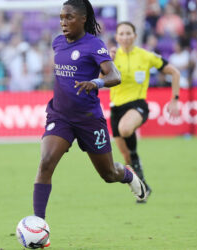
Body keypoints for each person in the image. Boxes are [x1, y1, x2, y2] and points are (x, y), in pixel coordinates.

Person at [33, 1, 148, 247]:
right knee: (45, 163)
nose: (63, 22)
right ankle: (37, 226)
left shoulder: (94, 45)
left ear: (83, 19)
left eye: (69, 17)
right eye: (61, 17)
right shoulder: (57, 42)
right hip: (60, 116)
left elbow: (114, 75)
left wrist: (96, 83)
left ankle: (127, 175)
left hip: (89, 120)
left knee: (108, 174)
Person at [109, 21, 180, 203]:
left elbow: (174, 72)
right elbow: (100, 79)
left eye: (128, 33)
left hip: (137, 104)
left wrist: (175, 99)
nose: (125, 37)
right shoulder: (111, 57)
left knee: (126, 129)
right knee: (126, 157)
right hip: (115, 108)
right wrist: (107, 62)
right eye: (121, 34)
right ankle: (143, 187)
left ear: (134, 36)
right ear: (116, 37)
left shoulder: (146, 56)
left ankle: (138, 170)